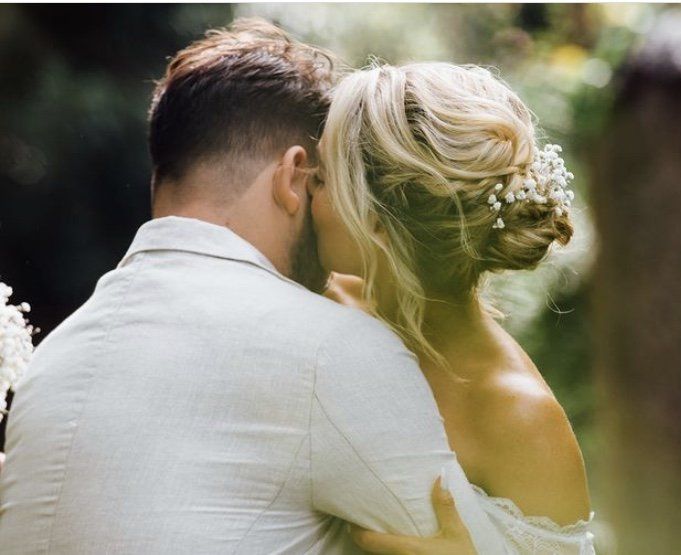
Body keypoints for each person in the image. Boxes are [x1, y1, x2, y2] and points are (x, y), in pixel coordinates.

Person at [0, 20, 510, 554]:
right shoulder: (328, 349)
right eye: (325, 184)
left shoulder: (52, 362)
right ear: (293, 177)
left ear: (161, 176)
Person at [311, 62, 595, 554]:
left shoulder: (520, 419)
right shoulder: (317, 308)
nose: (302, 190)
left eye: (322, 177)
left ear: (376, 224)